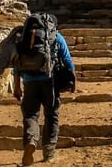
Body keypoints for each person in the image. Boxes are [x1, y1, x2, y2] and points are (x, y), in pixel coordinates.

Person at [13, 23, 75, 165]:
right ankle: (49, 152)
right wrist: (72, 81)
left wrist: (17, 86)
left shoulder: (24, 37)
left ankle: (31, 140)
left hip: (29, 82)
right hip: (50, 82)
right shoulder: (56, 36)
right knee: (51, 115)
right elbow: (67, 61)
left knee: (30, 115)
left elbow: (16, 64)